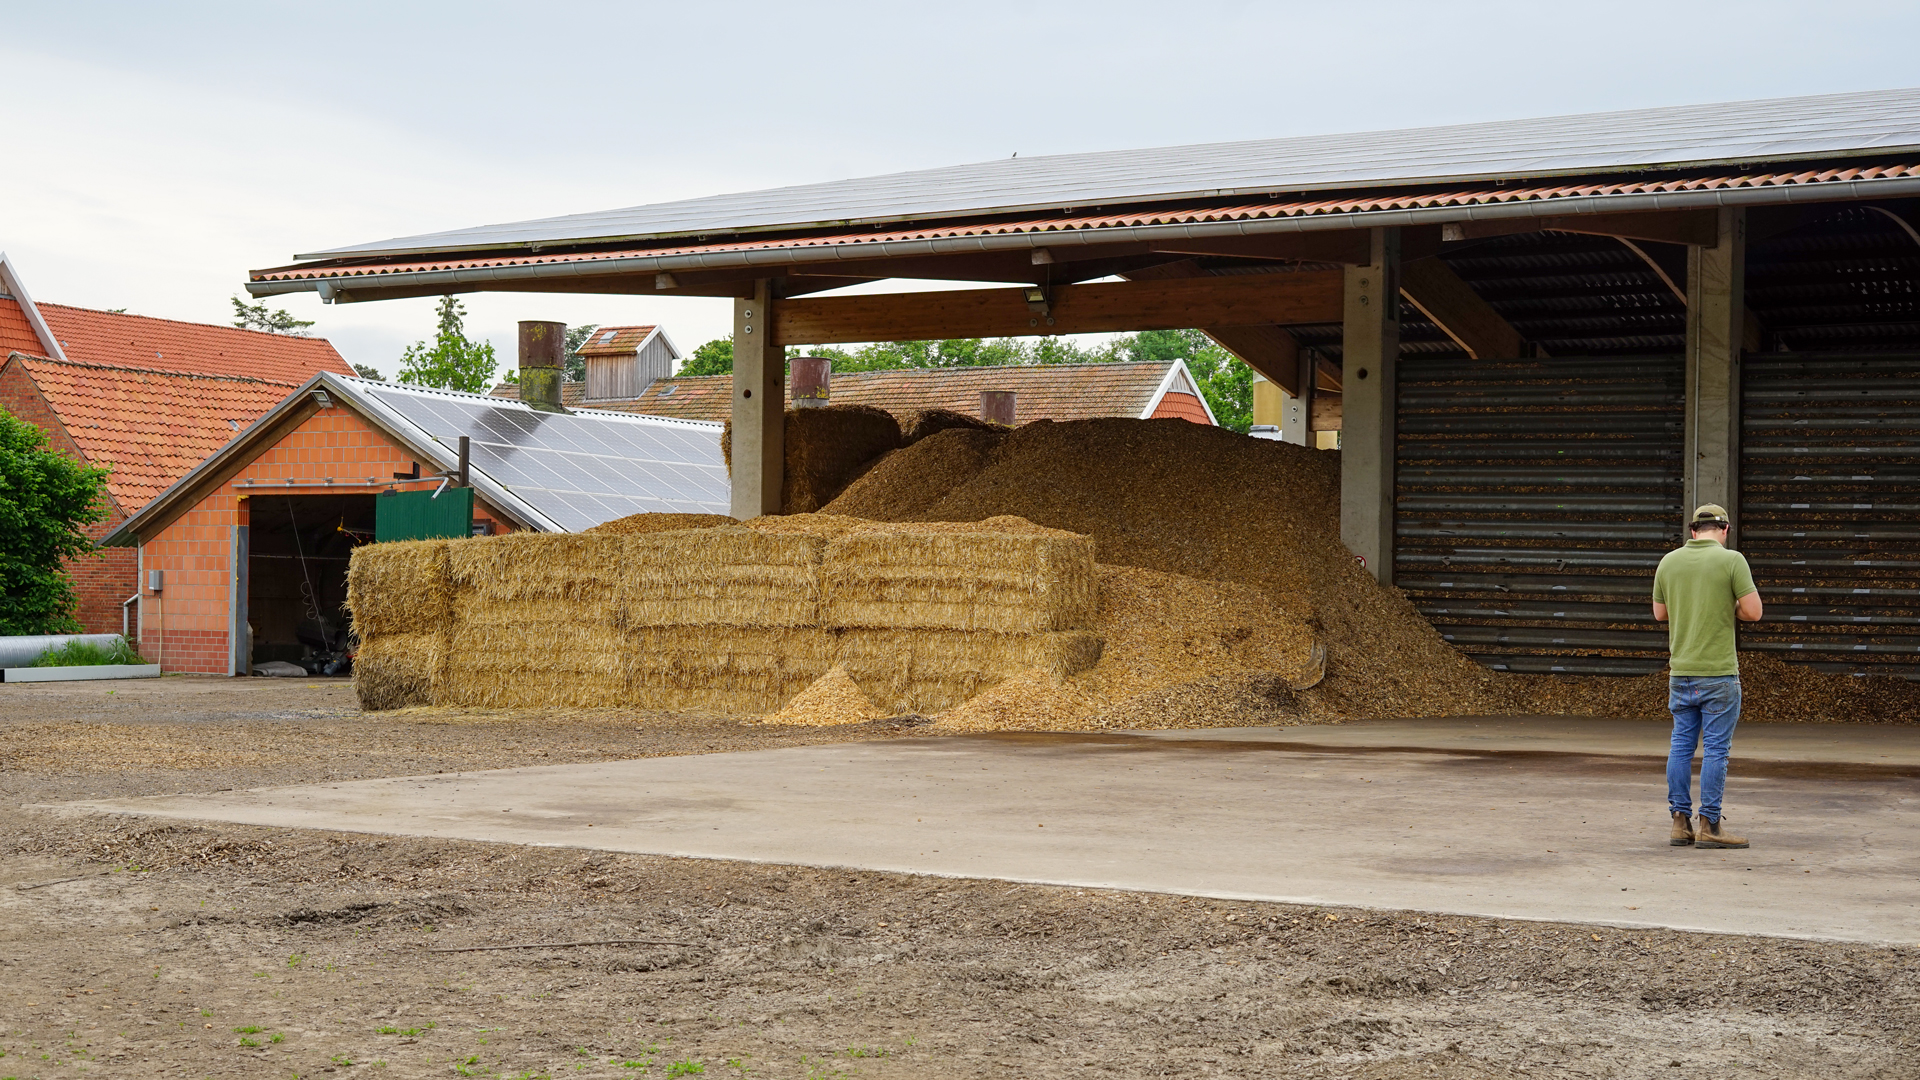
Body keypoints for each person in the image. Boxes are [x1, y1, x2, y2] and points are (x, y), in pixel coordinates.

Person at [1652, 504, 1763, 849]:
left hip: (1681, 672)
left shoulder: (1669, 562)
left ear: (1692, 530)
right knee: (1716, 749)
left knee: (1681, 746)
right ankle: (1710, 827)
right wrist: (1725, 604)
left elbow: (1660, 614)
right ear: (1725, 529)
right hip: (1718, 674)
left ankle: (1679, 823)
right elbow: (1754, 612)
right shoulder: (1732, 561)